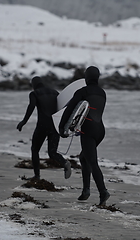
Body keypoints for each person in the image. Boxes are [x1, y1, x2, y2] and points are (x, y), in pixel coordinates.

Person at [59, 66, 110, 206]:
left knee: (92, 162)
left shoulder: (82, 91)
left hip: (88, 130)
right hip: (100, 130)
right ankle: (86, 191)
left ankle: (103, 192)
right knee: (84, 157)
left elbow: (70, 109)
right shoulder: (102, 93)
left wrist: (62, 127)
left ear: (86, 78)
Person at [17, 76, 71, 180]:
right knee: (52, 152)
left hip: (42, 126)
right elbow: (63, 108)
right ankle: (65, 163)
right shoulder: (55, 92)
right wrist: (65, 126)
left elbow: (31, 106)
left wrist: (24, 121)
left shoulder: (34, 93)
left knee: (35, 150)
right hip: (55, 126)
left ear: (33, 85)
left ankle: (37, 175)